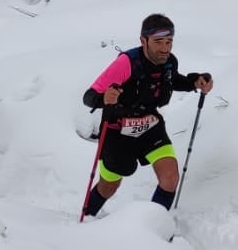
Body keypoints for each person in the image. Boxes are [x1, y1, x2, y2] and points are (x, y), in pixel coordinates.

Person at [80, 13, 213, 218]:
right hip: (117, 129)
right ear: (144, 41)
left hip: (149, 125)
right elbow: (89, 97)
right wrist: (105, 98)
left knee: (170, 177)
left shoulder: (169, 62)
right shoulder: (126, 63)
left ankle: (152, 227)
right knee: (109, 186)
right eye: (158, 42)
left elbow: (170, 80)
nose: (165, 48)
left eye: (169, 42)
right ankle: (83, 221)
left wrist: (193, 83)